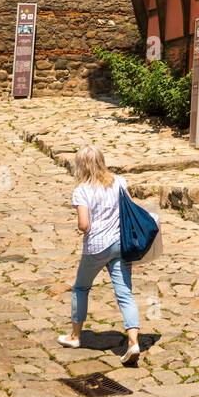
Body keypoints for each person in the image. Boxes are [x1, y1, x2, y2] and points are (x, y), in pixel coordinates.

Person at [59, 145, 141, 365]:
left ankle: (75, 336)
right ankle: (133, 341)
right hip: (120, 245)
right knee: (125, 293)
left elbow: (84, 225)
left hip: (96, 248)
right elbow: (129, 209)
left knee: (81, 287)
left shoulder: (82, 190)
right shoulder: (120, 183)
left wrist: (82, 225)